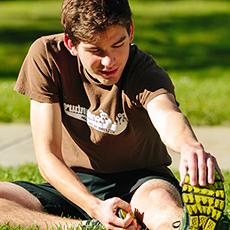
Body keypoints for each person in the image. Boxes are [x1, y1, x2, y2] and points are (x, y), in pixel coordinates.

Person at [0, 0, 225, 229]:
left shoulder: (144, 71)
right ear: (71, 44)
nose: (110, 61)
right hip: (74, 184)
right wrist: (95, 208)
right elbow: (48, 156)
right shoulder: (48, 56)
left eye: (119, 44)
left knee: (161, 206)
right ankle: (87, 226)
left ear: (131, 31)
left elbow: (166, 113)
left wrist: (189, 145)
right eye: (96, 50)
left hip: (141, 181)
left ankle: (185, 226)